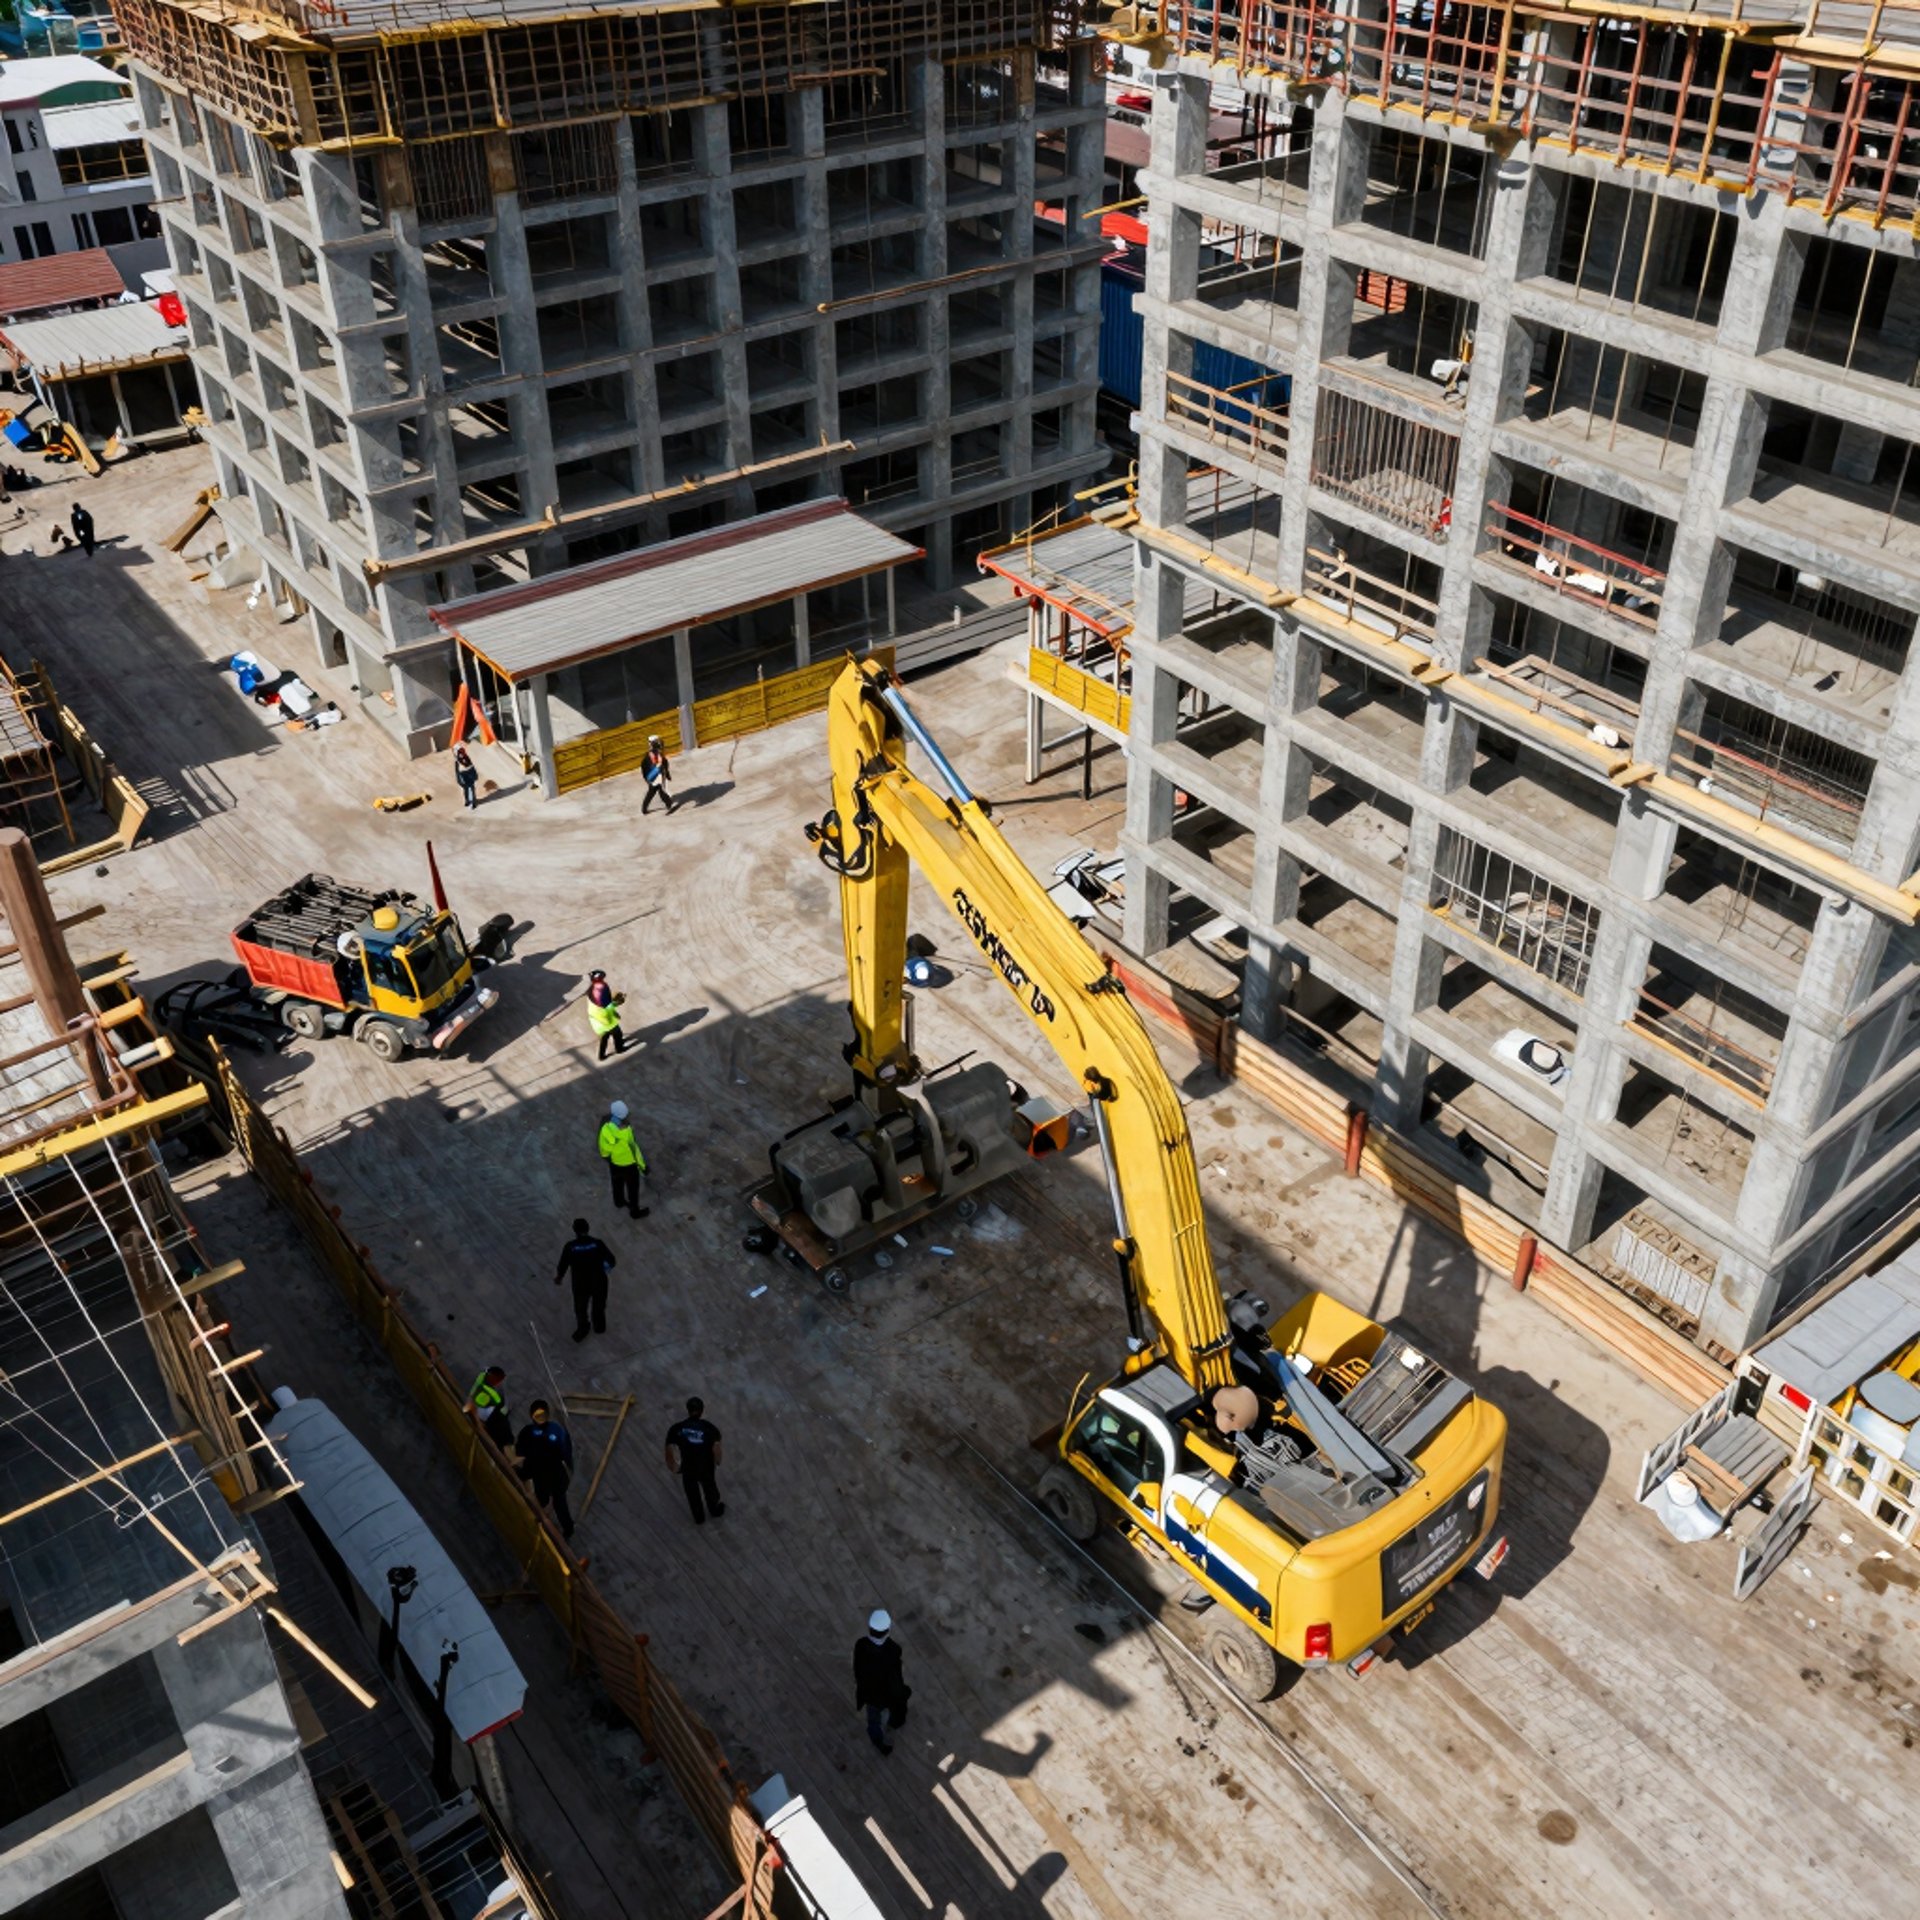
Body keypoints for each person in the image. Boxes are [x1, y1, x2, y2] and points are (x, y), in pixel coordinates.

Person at [515, 1400, 576, 1539]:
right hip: (538, 1474)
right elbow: (521, 1452)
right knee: (541, 1498)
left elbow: (566, 1451)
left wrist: (569, 1468)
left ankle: (568, 1528)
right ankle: (540, 1517)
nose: (540, 1418)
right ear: (532, 1416)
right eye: (537, 1415)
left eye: (543, 1414)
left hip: (555, 1475)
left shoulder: (557, 1431)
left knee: (560, 1503)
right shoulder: (527, 1432)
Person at [854, 1609, 909, 1756]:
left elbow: (857, 1670)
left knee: (873, 1721)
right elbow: (896, 1678)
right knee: (898, 1709)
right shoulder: (894, 1650)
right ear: (887, 1630)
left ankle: (878, 1742)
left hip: (870, 1694)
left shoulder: (861, 1645)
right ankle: (895, 1723)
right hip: (888, 1695)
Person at [554, 1218, 616, 1342]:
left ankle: (583, 1329)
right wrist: (604, 1267)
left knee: (580, 1308)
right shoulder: (597, 1243)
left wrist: (559, 1277)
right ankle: (599, 1327)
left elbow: (563, 1264)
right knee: (599, 1305)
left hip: (580, 1283)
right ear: (588, 1229)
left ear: (574, 1231)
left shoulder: (570, 1246)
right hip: (599, 1281)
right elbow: (612, 1260)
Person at [664, 1396, 724, 1525]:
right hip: (705, 1467)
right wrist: (717, 1461)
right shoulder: (709, 1428)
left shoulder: (677, 1428)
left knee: (692, 1493)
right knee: (710, 1489)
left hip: (688, 1467)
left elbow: (669, 1449)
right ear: (702, 1410)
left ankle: (699, 1517)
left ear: (688, 1410)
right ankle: (714, 1510)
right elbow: (716, 1448)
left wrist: (673, 1466)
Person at [599, 1099, 649, 1219]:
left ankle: (619, 1202)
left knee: (617, 1183)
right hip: (629, 1166)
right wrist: (643, 1166)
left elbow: (604, 1149)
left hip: (615, 1164)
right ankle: (635, 1212)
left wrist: (609, 1159)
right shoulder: (626, 1131)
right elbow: (634, 1150)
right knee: (633, 1190)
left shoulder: (605, 1129)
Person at [463, 1364, 513, 1450]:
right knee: (501, 1425)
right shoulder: (495, 1396)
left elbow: (485, 1370)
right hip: (484, 1414)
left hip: (478, 1407)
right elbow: (499, 1406)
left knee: (502, 1422)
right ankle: (503, 1445)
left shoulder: (482, 1376)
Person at [586, 969, 625, 1058]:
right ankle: (619, 1049)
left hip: (596, 1020)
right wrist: (615, 1004)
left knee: (604, 1038)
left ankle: (601, 1055)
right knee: (618, 1034)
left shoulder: (591, 989)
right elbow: (606, 1008)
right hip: (606, 1021)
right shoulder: (602, 990)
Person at [641, 736, 678, 815]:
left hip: (651, 777)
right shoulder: (656, 754)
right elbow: (664, 764)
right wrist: (667, 774)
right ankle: (669, 805)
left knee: (651, 792)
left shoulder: (648, 754)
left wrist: (646, 778)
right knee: (661, 791)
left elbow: (644, 767)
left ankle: (644, 808)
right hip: (656, 776)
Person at [454, 744, 480, 810]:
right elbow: (457, 771)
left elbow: (471, 766)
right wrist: (459, 779)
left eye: (462, 751)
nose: (461, 754)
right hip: (463, 775)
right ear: (457, 753)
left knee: (471, 788)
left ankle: (473, 802)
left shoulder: (467, 758)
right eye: (459, 752)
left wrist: (475, 774)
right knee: (466, 789)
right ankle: (467, 800)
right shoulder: (457, 761)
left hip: (469, 774)